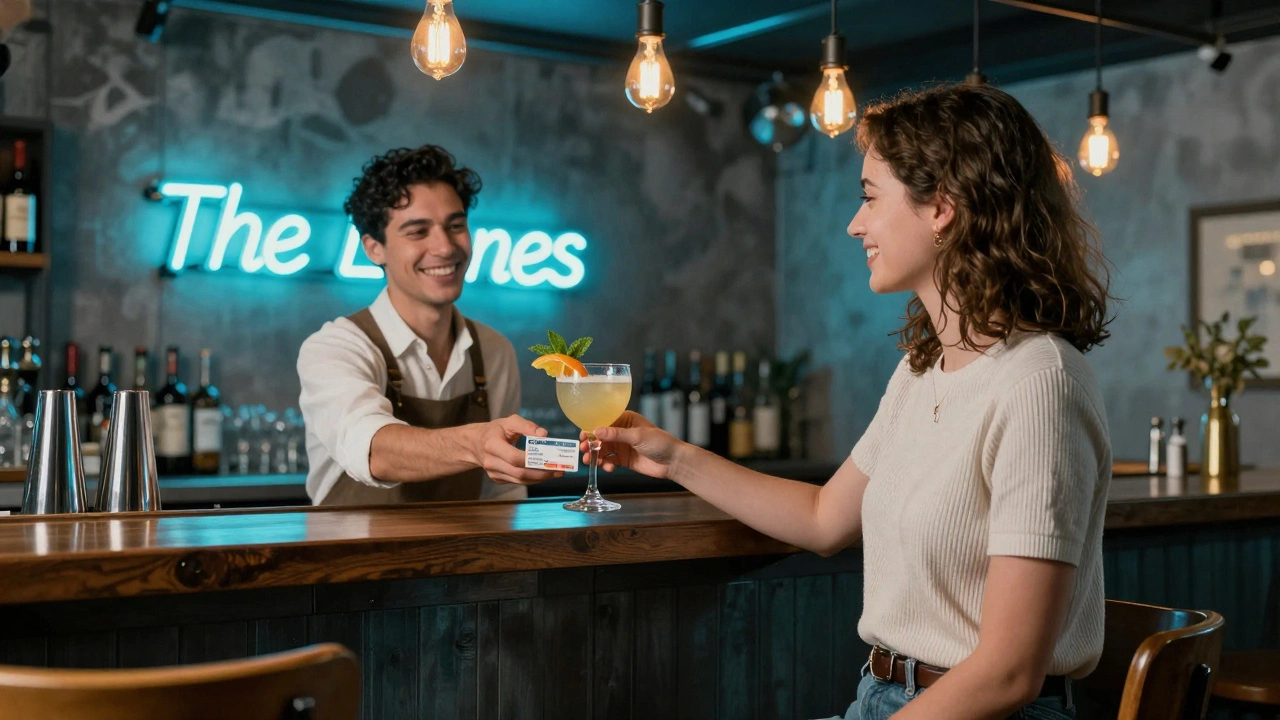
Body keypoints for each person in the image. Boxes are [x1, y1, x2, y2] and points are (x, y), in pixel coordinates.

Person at [587, 84, 1114, 720]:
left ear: (941, 206)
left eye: (869, 197)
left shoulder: (1039, 385)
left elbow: (1007, 674)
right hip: (881, 696)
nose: (854, 223)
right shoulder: (923, 371)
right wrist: (671, 458)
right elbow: (822, 517)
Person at [298, 145, 558, 506]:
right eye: (418, 232)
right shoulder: (335, 347)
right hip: (352, 561)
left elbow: (502, 492)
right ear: (374, 249)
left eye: (455, 225)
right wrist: (477, 444)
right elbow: (374, 450)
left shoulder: (494, 351)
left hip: (463, 562)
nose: (445, 247)